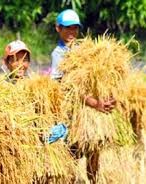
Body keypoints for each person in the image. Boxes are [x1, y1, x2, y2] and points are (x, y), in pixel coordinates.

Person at [50, 9, 116, 183]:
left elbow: (100, 77)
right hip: (72, 113)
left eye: (75, 28)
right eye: (67, 28)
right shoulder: (58, 54)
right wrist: (94, 103)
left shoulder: (83, 49)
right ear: (58, 28)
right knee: (71, 153)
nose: (72, 32)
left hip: (93, 110)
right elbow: (67, 87)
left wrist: (108, 96)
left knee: (94, 154)